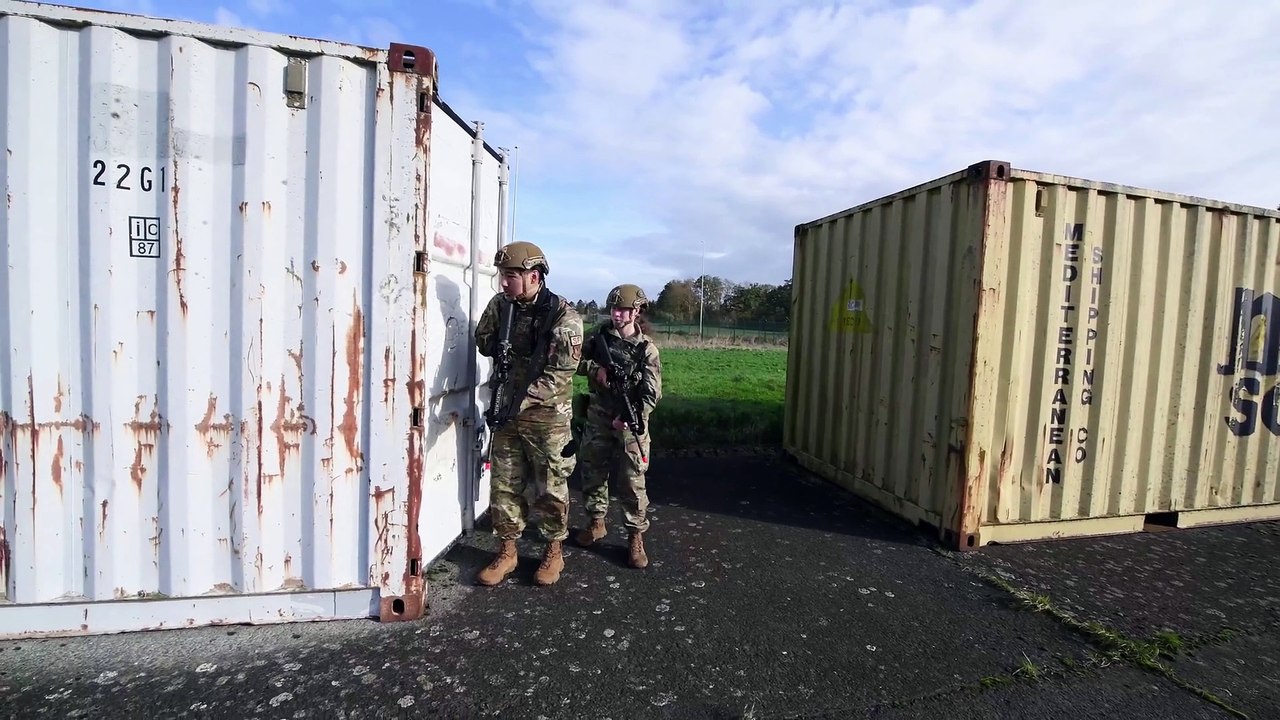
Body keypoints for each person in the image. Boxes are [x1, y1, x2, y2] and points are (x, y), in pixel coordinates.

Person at [474, 241, 584, 587]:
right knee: (504, 483)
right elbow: (483, 342)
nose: (503, 282)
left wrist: (520, 402)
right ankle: (508, 551)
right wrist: (499, 336)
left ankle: (554, 550)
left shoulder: (564, 317)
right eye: (502, 275)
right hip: (507, 408)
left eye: (510, 276)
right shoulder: (501, 304)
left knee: (550, 485)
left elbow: (559, 373)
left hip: (547, 416)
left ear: (534, 276)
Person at [573, 283, 663, 568]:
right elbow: (573, 360)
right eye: (614, 308)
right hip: (598, 416)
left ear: (636, 312)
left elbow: (652, 394)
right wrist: (595, 370)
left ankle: (635, 536)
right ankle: (596, 522)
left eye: (623, 309)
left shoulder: (646, 350)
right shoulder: (598, 337)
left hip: (630, 422)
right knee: (592, 471)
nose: (617, 314)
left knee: (632, 481)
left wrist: (630, 416)